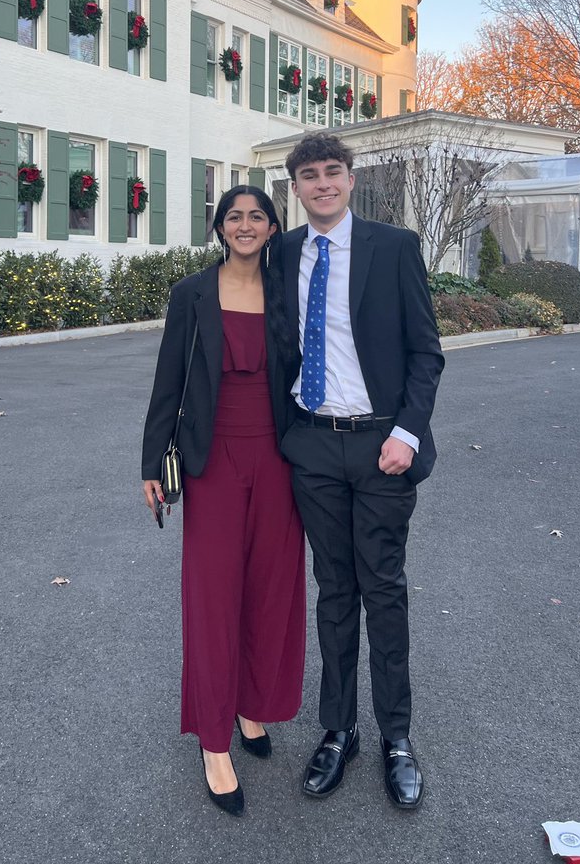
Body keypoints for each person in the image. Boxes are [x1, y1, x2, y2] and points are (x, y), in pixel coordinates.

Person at [279, 131, 445, 809]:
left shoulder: (394, 247)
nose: (322, 183)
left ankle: (396, 737)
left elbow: (426, 353)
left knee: (384, 590)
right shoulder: (283, 253)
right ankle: (338, 729)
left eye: (332, 172)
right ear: (296, 187)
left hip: (382, 447)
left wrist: (407, 432)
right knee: (335, 590)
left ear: (350, 180)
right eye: (309, 175)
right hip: (314, 445)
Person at [141, 186, 305, 818]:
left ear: (272, 229)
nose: (245, 225)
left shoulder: (287, 293)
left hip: (280, 460)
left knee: (270, 591)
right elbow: (168, 381)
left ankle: (250, 706)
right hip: (211, 463)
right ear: (219, 228)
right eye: (233, 216)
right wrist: (152, 463)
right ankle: (214, 742)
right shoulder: (191, 294)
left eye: (256, 216)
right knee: (212, 599)